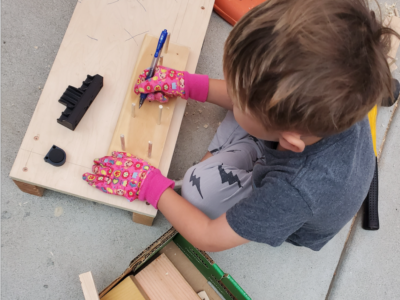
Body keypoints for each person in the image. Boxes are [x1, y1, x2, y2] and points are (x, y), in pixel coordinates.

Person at [84, 0, 397, 251]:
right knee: (249, 111)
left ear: (289, 137)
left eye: (239, 93)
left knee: (196, 191)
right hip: (285, 144)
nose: (231, 90)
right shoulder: (339, 91)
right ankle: (256, 129)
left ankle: (251, 138)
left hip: (292, 193)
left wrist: (150, 186)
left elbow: (209, 237)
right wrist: (188, 85)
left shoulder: (293, 193)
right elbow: (248, 101)